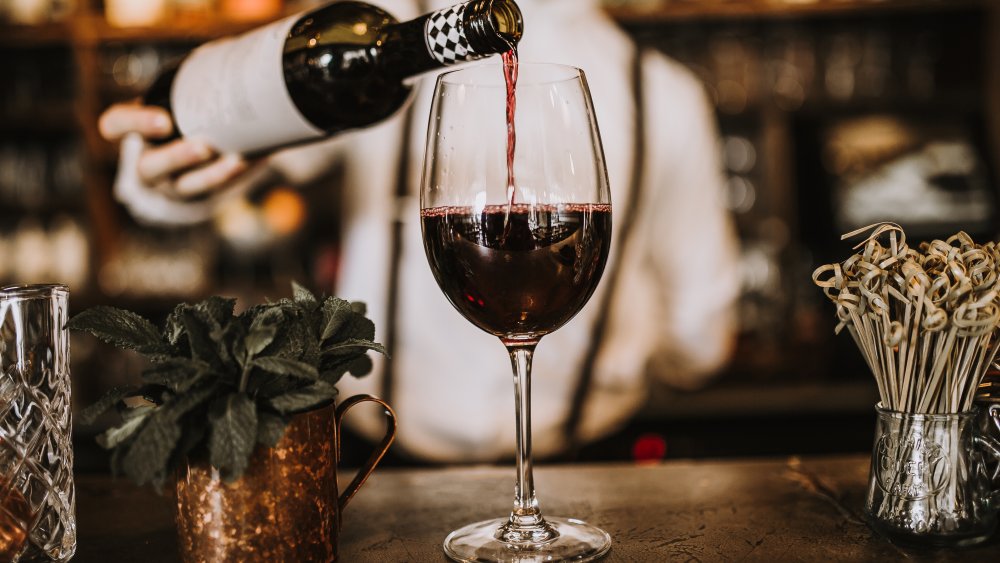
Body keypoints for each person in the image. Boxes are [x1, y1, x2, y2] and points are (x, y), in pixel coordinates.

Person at [97, 0, 741, 464]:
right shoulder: (386, 44)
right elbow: (700, 335)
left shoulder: (669, 95)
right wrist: (166, 167)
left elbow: (705, 335)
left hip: (580, 477)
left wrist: (157, 183)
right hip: (378, 468)